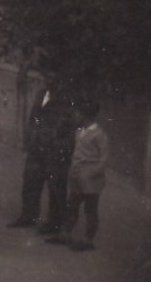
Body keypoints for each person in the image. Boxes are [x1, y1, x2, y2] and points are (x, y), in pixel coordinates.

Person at [11, 83, 75, 233]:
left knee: (55, 186)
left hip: (54, 149)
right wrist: (30, 139)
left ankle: (55, 222)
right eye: (47, 75)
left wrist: (58, 143)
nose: (50, 79)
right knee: (30, 182)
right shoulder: (41, 94)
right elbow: (34, 117)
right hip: (36, 147)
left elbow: (67, 124)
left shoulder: (66, 97)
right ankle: (28, 215)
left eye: (53, 75)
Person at [49, 101, 108, 251]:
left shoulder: (99, 135)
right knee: (72, 205)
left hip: (90, 178)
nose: (75, 116)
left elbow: (104, 159)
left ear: (85, 116)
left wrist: (92, 173)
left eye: (78, 114)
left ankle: (88, 240)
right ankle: (65, 234)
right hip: (76, 174)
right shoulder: (79, 130)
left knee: (90, 209)